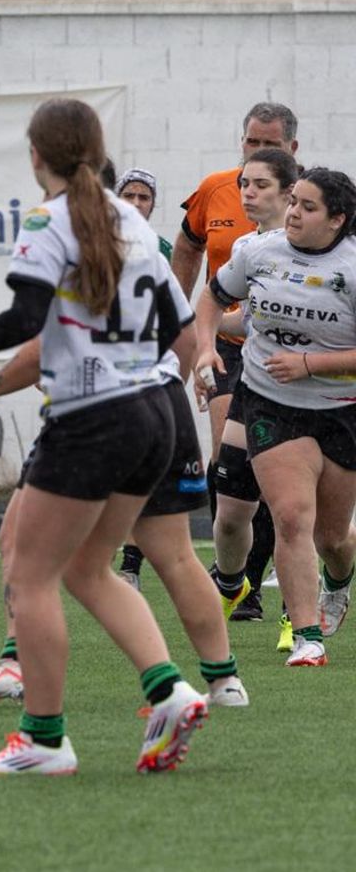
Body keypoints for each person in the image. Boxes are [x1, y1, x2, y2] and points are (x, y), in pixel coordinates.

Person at [0, 98, 205, 775]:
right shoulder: (131, 220)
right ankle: (171, 691)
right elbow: (178, 328)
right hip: (154, 412)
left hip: (91, 419)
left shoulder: (48, 220)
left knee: (31, 576)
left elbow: (27, 316)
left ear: (35, 155)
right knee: (86, 568)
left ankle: (44, 740)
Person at [0, 336, 247, 710]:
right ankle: (223, 682)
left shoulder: (76, 295)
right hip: (161, 400)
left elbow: (40, 346)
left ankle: (42, 701)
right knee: (171, 555)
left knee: (58, 559)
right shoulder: (150, 294)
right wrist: (161, 380)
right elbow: (184, 335)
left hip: (95, 407)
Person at [194, 168, 356, 667]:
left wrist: (310, 364)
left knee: (332, 538)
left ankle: (338, 580)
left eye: (308, 207)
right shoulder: (258, 251)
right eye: (294, 203)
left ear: (337, 220)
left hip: (342, 410)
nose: (293, 213)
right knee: (290, 517)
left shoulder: (352, 268)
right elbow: (213, 297)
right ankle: (308, 638)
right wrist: (204, 348)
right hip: (270, 401)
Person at [173, 102, 299, 623]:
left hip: (290, 352)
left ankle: (257, 583)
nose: (257, 153)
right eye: (251, 142)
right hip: (228, 340)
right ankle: (234, 577)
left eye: (269, 145)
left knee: (283, 484)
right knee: (231, 464)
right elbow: (188, 250)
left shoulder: (312, 202)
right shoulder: (216, 190)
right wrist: (187, 329)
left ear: (292, 150)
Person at [201, 148, 298, 649]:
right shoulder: (247, 247)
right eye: (244, 184)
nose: (248, 193)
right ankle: (231, 583)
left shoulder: (323, 250)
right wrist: (200, 341)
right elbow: (239, 315)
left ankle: (298, 616)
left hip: (312, 398)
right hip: (255, 388)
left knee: (293, 513)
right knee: (231, 511)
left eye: (260, 184)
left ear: (289, 192)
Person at [108, 165, 170, 589]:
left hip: (146, 371)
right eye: (128, 195)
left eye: (143, 197)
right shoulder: (96, 243)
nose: (135, 203)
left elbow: (175, 312)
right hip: (101, 370)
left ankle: (130, 565)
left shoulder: (162, 248)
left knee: (140, 470)